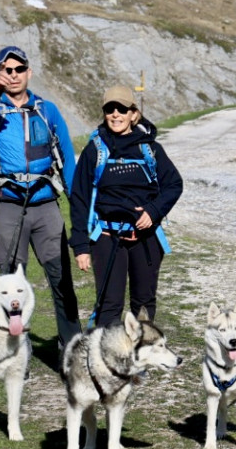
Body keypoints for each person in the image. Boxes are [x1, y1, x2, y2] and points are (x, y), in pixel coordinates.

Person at [0, 45, 81, 350]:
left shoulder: (48, 110)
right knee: (8, 286)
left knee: (61, 280)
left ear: (29, 72)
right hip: (7, 205)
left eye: (20, 69)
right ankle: (14, 353)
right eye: (7, 69)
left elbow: (68, 159)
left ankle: (72, 351)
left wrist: (78, 207)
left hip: (46, 205)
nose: (14, 75)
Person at [69, 85, 183, 329]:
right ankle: (107, 363)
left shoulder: (150, 149)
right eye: (110, 109)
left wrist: (153, 211)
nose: (116, 114)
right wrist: (80, 245)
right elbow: (79, 198)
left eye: (122, 108)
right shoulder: (94, 150)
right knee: (109, 304)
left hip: (146, 237)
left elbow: (174, 184)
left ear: (134, 114)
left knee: (143, 305)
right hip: (107, 237)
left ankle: (139, 360)